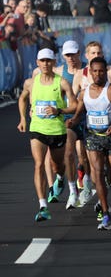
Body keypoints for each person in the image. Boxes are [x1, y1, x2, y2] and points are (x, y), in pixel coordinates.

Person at [67, 57, 111, 230]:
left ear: (106, 72)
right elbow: (79, 110)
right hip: (93, 136)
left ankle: (104, 184)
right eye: (95, 71)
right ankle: (105, 213)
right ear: (90, 72)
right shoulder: (85, 92)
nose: (98, 74)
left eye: (101, 71)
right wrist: (73, 120)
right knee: (97, 172)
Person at [17, 48, 78, 221]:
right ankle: (43, 205)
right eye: (42, 61)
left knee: (57, 165)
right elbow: (22, 98)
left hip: (57, 130)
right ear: (37, 63)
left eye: (48, 61)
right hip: (37, 129)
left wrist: (59, 110)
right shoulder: (30, 83)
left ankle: (60, 177)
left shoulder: (62, 82)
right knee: (38, 164)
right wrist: (23, 118)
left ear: (54, 63)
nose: (45, 64)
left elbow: (74, 105)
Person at [53, 40, 91, 209]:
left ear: (79, 53)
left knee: (84, 156)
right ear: (63, 56)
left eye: (73, 54)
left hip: (87, 118)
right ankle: (72, 190)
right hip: (68, 120)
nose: (71, 58)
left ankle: (87, 184)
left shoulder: (88, 70)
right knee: (69, 153)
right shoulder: (60, 73)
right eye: (67, 55)